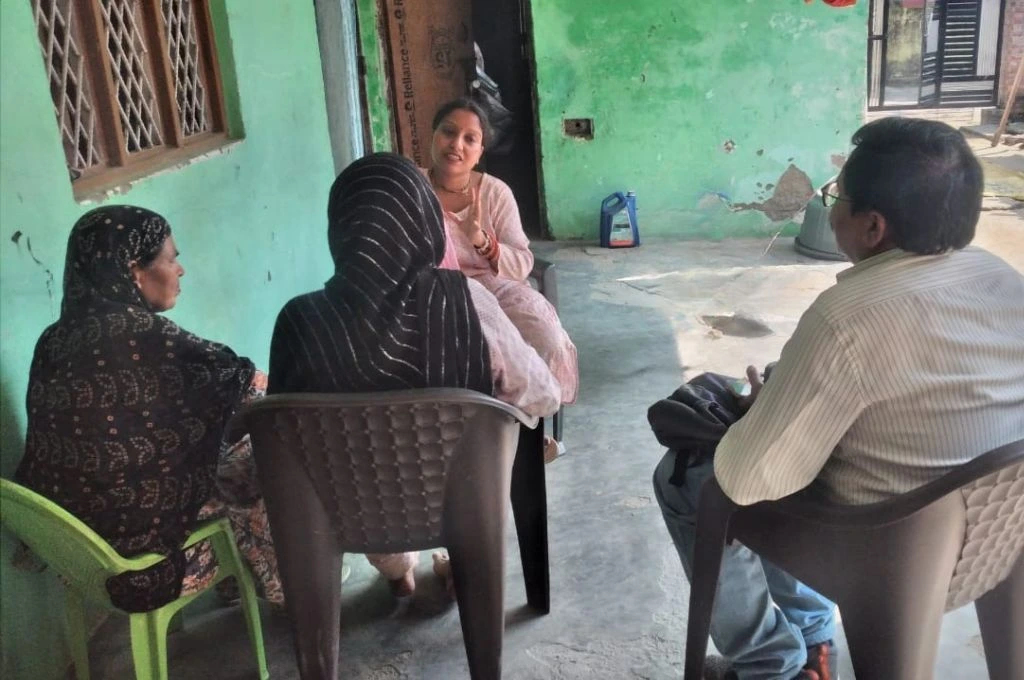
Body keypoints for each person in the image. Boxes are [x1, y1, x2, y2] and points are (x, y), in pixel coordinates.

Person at [654, 117, 1024, 680]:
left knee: (687, 476)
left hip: (883, 546)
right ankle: (813, 641)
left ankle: (772, 663)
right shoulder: (1003, 279)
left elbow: (746, 480)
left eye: (836, 198)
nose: (829, 211)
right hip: (999, 531)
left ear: (873, 226)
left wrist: (762, 415)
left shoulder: (847, 316)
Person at [268, 152, 561, 597]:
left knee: (354, 455)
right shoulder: (466, 303)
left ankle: (396, 570)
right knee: (494, 432)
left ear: (340, 227)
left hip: (347, 514)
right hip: (460, 503)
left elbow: (281, 435)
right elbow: (542, 395)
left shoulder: (299, 322)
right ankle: (460, 561)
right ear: (425, 222)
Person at [15, 206, 282, 613]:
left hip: (77, 558)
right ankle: (286, 584)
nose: (180, 271)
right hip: (143, 570)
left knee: (213, 461)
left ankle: (247, 580)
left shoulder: (53, 340)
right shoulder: (144, 337)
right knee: (265, 464)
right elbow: (254, 389)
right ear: (134, 270)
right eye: (172, 259)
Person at [424, 98, 579, 415]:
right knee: (477, 352)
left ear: (480, 151)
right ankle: (490, 424)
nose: (456, 144)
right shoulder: (413, 187)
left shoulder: (495, 193)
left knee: (548, 338)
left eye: (470, 139)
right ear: (433, 135)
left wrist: (483, 242)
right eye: (448, 132)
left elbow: (522, 262)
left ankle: (536, 421)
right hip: (436, 292)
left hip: (497, 286)